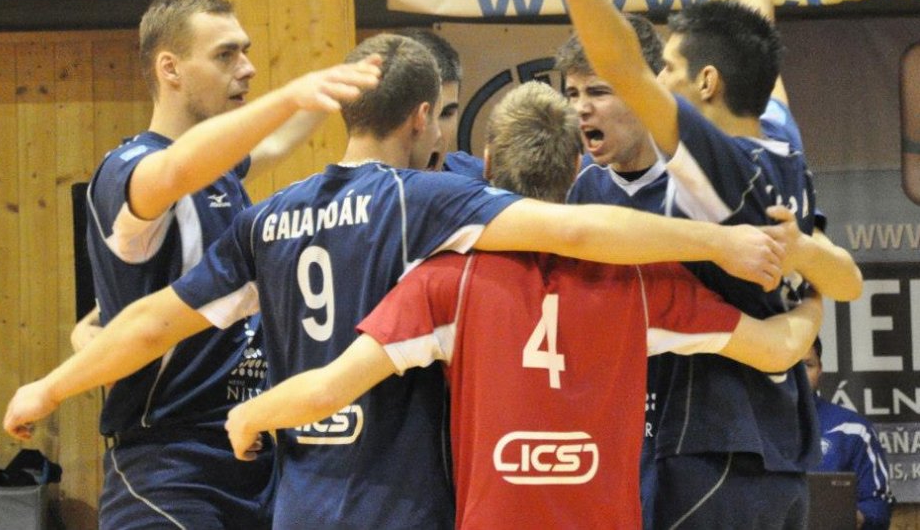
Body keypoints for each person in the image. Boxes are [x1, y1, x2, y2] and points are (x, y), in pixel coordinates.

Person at [5, 33, 788, 529]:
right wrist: (717, 241)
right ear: (420, 116)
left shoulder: (265, 216)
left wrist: (49, 386)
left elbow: (152, 321)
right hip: (402, 499)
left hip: (299, 502)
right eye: (441, 115)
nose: (443, 132)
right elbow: (578, 231)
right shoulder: (424, 202)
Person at [223, 81, 826, 529]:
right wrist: (815, 294)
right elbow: (780, 349)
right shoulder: (641, 283)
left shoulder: (444, 282)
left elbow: (327, 391)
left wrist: (248, 418)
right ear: (577, 167)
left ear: (484, 164)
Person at [467, 0, 862, 528]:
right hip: (778, 449)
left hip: (709, 444)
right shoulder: (777, 132)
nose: (662, 83)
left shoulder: (720, 165)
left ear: (706, 83)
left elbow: (623, 62)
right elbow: (755, 39)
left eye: (671, 70)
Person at [65, 0, 382, 529]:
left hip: (250, 450)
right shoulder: (130, 167)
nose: (247, 67)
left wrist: (331, 88)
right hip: (170, 465)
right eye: (225, 54)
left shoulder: (221, 172)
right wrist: (288, 96)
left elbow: (272, 147)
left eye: (246, 50)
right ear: (170, 69)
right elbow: (174, 171)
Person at [804, 338, 894, 530]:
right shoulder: (750, 429)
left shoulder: (853, 429)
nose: (797, 375)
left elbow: (879, 505)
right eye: (788, 366)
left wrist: (847, 516)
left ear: (820, 370)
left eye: (807, 365)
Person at [400, 26, 484, 176]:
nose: (436, 133)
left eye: (446, 114)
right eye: (423, 115)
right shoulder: (360, 183)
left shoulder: (481, 178)